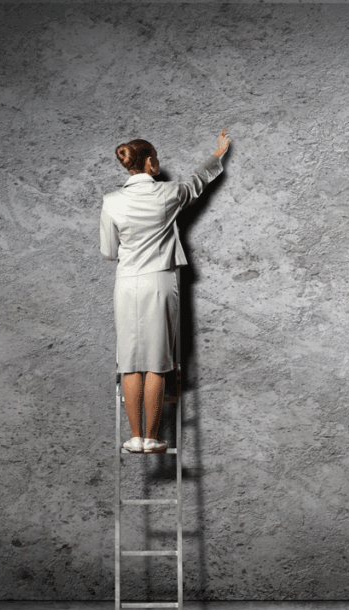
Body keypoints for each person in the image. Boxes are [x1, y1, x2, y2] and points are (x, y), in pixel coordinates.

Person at [100, 128, 231, 453]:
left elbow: (108, 251)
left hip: (127, 283)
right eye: (155, 157)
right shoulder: (169, 193)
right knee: (158, 360)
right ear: (149, 164)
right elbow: (198, 182)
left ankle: (133, 436)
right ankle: (151, 437)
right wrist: (217, 155)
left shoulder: (112, 201)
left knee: (130, 362)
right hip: (159, 281)